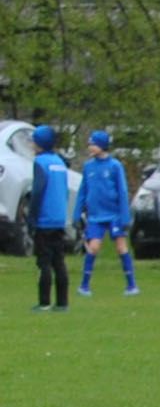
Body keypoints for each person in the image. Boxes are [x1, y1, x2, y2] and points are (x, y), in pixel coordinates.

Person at [77, 130, 137, 298]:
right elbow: (83, 190)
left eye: (93, 144)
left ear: (102, 146)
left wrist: (125, 216)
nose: (90, 147)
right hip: (96, 216)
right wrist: (77, 213)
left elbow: (123, 191)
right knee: (93, 247)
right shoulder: (88, 166)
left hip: (114, 215)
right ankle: (84, 285)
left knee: (121, 247)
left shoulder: (115, 166)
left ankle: (131, 285)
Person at [28, 126, 73, 312]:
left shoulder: (40, 162)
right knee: (59, 261)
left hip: (44, 219)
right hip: (59, 217)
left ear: (39, 143)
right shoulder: (59, 162)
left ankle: (44, 301)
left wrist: (32, 216)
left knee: (44, 262)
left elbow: (38, 190)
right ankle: (62, 302)